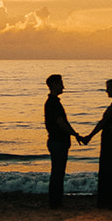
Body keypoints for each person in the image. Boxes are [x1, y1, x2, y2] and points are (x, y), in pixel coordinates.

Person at [82, 78, 112, 210]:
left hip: (110, 137)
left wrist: (89, 136)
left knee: (109, 167)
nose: (106, 90)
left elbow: (102, 123)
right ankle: (111, 199)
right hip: (110, 136)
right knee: (111, 167)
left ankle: (109, 200)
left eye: (108, 88)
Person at [43, 73, 82, 209]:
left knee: (58, 172)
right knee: (58, 173)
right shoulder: (53, 103)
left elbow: (62, 122)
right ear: (54, 85)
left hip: (57, 141)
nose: (63, 87)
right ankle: (55, 202)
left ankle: (55, 201)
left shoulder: (53, 103)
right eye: (60, 83)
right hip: (58, 141)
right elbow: (61, 123)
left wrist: (74, 134)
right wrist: (75, 134)